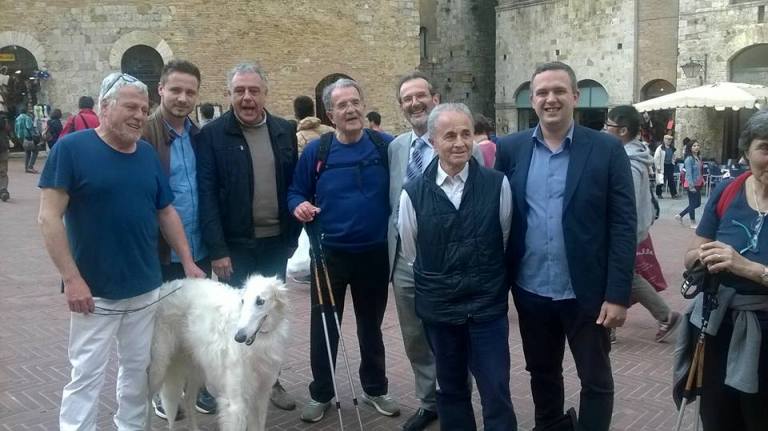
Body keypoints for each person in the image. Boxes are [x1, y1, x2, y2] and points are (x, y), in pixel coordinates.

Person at [38, 72, 205, 431]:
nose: (139, 115)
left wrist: (188, 260)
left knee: (138, 374)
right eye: (131, 106)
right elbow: (48, 218)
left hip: (145, 289)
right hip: (94, 294)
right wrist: (72, 279)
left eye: (144, 109)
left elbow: (166, 211)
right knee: (85, 375)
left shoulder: (146, 154)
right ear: (104, 107)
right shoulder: (72, 149)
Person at [495, 61, 636, 431]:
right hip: (531, 290)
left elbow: (623, 225)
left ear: (574, 96)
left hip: (587, 293)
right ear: (532, 99)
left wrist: (618, 294)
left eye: (559, 91)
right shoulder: (509, 149)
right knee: (542, 374)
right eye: (542, 92)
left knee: (596, 381)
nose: (550, 99)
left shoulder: (606, 149)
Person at [398, 103, 516, 431]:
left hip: (486, 308)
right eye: (449, 136)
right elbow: (412, 252)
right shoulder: (414, 193)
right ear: (433, 142)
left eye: (466, 134)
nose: (460, 143)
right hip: (441, 310)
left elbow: (502, 239)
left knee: (495, 389)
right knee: (450, 390)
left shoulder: (496, 185)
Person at [289, 78, 400, 423]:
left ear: (363, 105)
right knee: (324, 327)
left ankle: (375, 390)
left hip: (374, 255)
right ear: (329, 113)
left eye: (355, 102)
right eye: (342, 105)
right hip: (329, 256)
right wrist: (300, 207)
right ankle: (321, 393)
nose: (351, 109)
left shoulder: (385, 146)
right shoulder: (317, 151)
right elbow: (295, 192)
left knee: (371, 326)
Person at [196, 62, 300, 411]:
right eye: (239, 91)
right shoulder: (212, 135)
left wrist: (291, 240)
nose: (247, 97)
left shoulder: (285, 130)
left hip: (275, 245)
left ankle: (270, 380)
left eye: (253, 90)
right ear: (230, 94)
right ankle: (221, 383)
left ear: (265, 94)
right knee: (232, 318)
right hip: (234, 248)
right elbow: (206, 195)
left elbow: (294, 187)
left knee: (267, 319)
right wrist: (217, 249)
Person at [388, 71, 487, 431]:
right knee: (415, 336)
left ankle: (457, 399)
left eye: (420, 96)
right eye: (406, 99)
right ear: (401, 106)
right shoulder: (396, 147)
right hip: (404, 258)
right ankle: (430, 402)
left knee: (454, 336)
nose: (414, 103)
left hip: (451, 261)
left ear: (434, 97)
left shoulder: (457, 144)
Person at [678, 109, 768, 430]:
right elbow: (691, 254)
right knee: (717, 419)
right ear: (746, 152)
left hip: (764, 332)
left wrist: (747, 267)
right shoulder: (727, 191)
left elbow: (746, 268)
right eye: (765, 148)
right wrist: (703, 257)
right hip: (717, 328)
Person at [140, 59, 216, 418]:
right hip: (158, 253)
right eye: (176, 90)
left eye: (190, 92)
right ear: (160, 89)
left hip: (197, 249)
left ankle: (193, 388)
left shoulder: (200, 136)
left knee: (194, 327)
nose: (183, 98)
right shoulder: (145, 133)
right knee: (159, 332)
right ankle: (158, 390)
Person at [605, 105, 681, 343]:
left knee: (615, 274)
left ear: (623, 130)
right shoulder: (631, 155)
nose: (604, 129)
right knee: (627, 275)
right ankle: (665, 316)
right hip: (628, 230)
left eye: (609, 126)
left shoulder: (627, 162)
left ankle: (608, 327)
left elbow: (626, 205)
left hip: (622, 232)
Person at [676, 139, 705, 229]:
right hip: (691, 184)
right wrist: (691, 186)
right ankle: (692, 222)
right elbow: (688, 173)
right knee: (693, 203)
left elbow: (700, 170)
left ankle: (680, 215)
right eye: (694, 146)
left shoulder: (698, 157)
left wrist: (702, 179)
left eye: (697, 145)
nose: (696, 147)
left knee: (698, 203)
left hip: (698, 183)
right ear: (690, 148)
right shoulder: (689, 159)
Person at [14, 108, 38, 173]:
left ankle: (26, 168)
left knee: (27, 152)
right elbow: (29, 127)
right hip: (28, 137)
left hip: (21, 138)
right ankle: (30, 166)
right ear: (26, 112)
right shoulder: (27, 118)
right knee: (35, 151)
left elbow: (15, 130)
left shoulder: (17, 119)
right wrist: (35, 136)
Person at [653, 134, 678, 198]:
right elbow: (656, 158)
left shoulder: (672, 148)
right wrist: (658, 167)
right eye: (667, 139)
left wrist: (673, 162)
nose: (669, 141)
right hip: (662, 166)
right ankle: (659, 194)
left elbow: (674, 156)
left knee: (671, 180)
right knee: (661, 180)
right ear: (664, 140)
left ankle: (673, 194)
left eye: (670, 140)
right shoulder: (660, 148)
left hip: (670, 165)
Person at [0, 114, 11, 201]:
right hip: (2, 148)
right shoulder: (3, 118)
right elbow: (8, 129)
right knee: (3, 172)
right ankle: (3, 190)